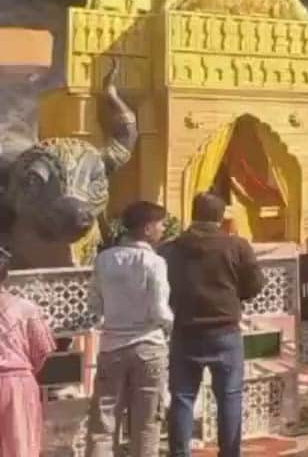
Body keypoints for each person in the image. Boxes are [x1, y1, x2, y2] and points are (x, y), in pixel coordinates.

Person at [163, 191, 265, 457]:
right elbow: (254, 284)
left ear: (193, 213)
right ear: (221, 217)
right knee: (230, 397)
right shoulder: (237, 246)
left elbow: (163, 287)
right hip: (225, 330)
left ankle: (179, 453)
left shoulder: (172, 248)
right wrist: (233, 296)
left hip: (185, 329)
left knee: (183, 399)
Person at [86, 202, 173, 457]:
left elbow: (94, 304)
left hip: (112, 346)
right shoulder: (154, 262)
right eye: (160, 224)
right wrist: (170, 329)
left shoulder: (103, 260)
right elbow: (159, 310)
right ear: (147, 228)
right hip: (148, 346)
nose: (163, 229)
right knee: (146, 424)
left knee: (103, 422)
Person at [0, 245, 56, 457]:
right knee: (20, 445)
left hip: (18, 380)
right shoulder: (26, 308)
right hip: (18, 384)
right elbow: (41, 351)